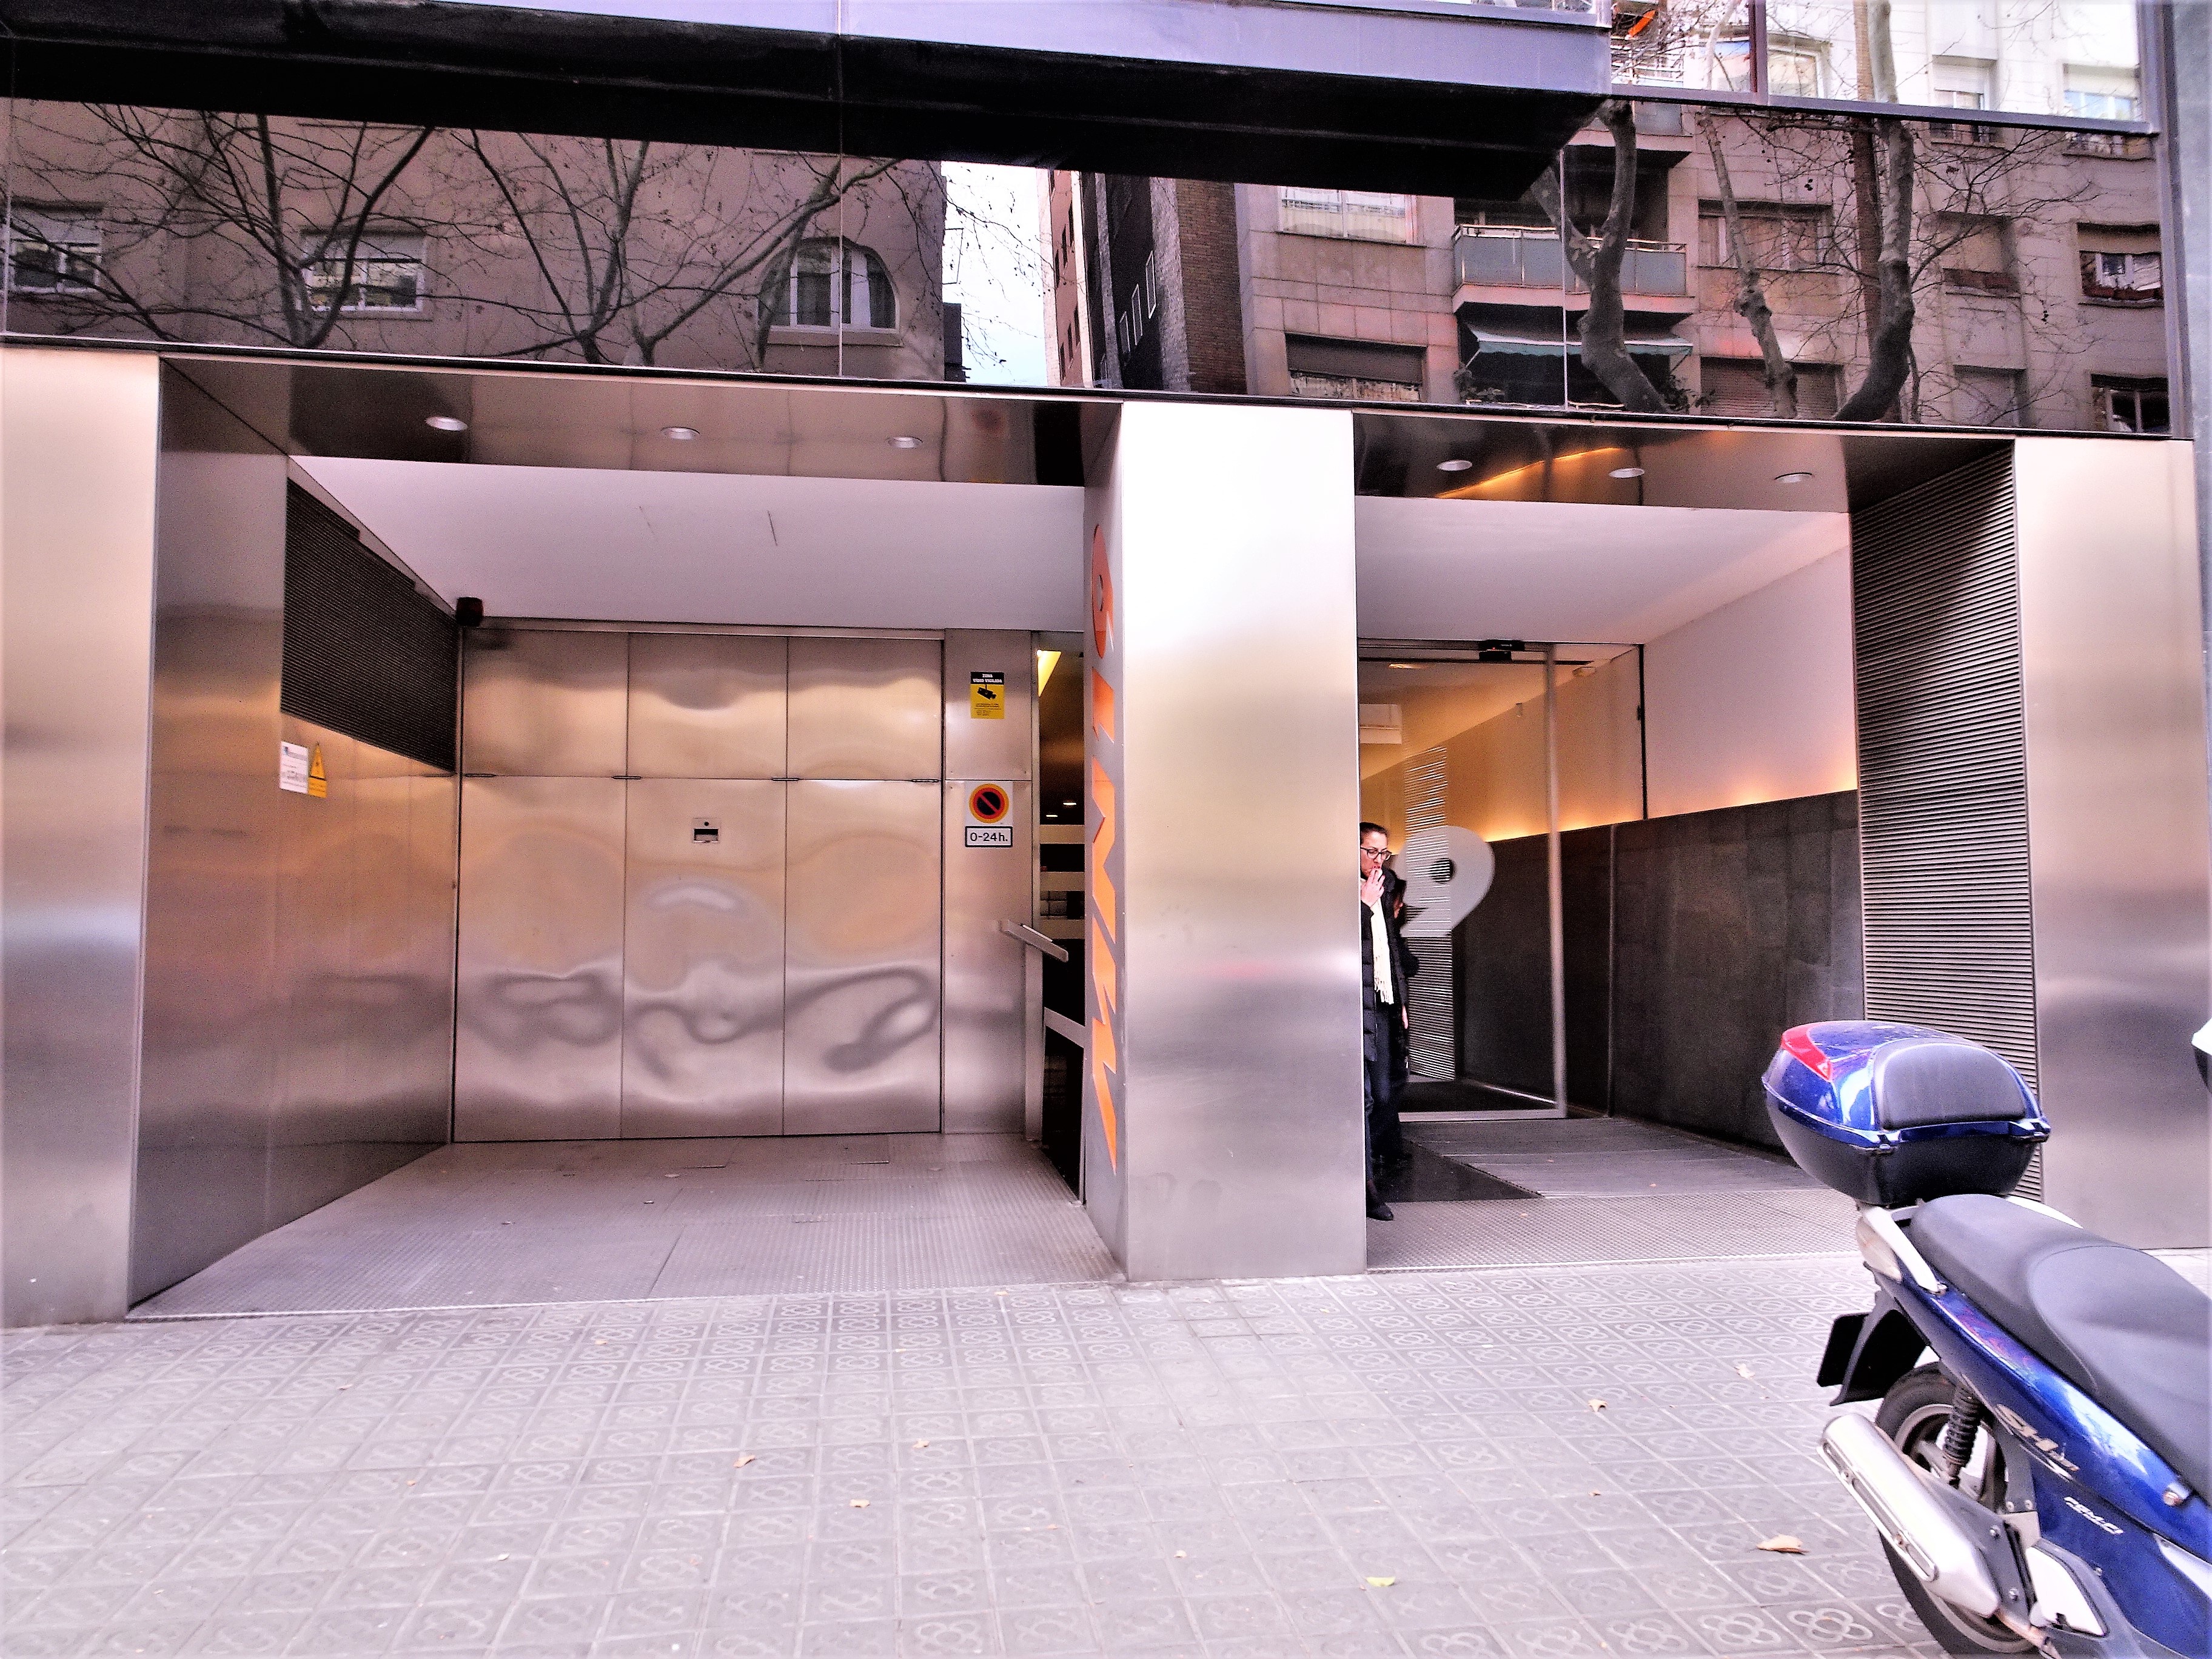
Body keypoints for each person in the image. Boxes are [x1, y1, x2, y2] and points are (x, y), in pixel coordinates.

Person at [1360, 822, 1416, 1220]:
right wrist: (1363, 905)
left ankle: (1365, 1177)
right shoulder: (1334, 886)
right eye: (1371, 852)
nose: (1379, 860)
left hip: (1380, 1003)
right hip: (1349, 1004)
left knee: (1383, 1095)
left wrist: (1400, 1001)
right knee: (1362, 1098)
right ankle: (1366, 1189)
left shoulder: (1387, 884)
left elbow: (1392, 947)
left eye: (1384, 853)